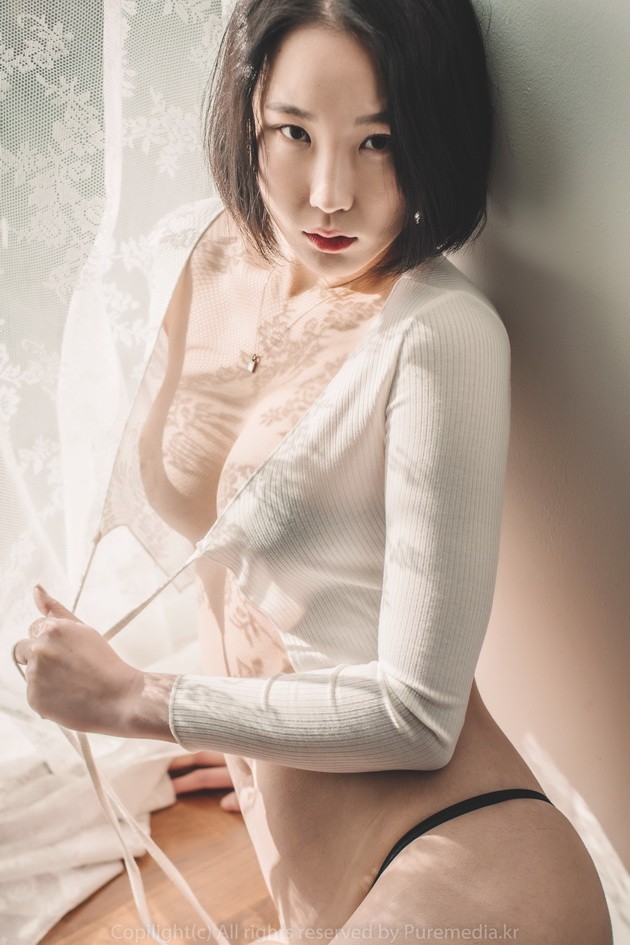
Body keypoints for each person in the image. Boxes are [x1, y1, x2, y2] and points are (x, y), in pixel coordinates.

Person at [14, 0, 613, 941]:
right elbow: (242, 574)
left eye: (380, 142)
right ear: (247, 114)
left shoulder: (440, 335)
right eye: (294, 131)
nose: (330, 194)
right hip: (323, 889)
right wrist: (240, 719)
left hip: (463, 855)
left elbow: (419, 715)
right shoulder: (204, 257)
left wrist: (139, 699)